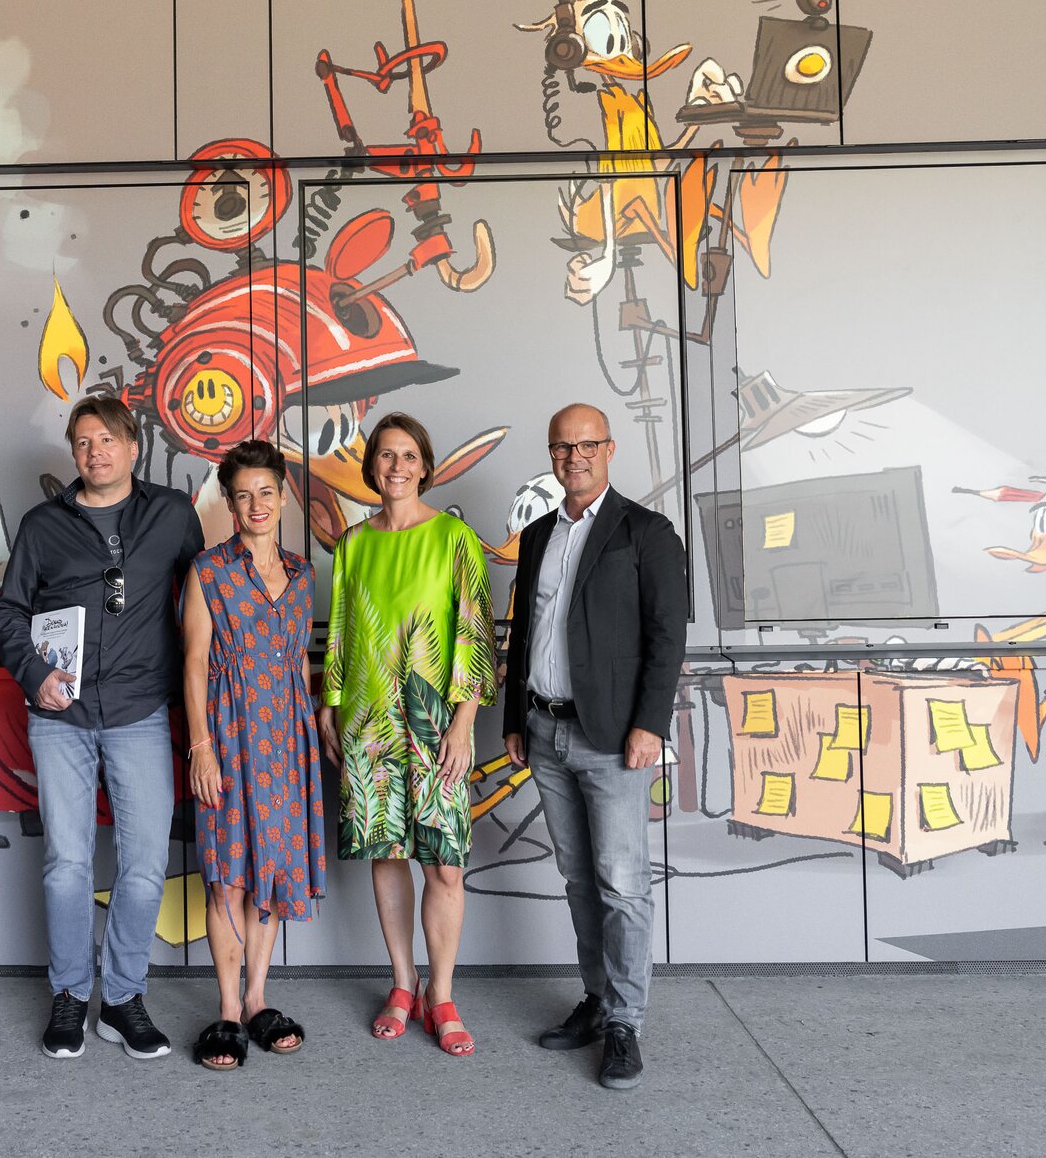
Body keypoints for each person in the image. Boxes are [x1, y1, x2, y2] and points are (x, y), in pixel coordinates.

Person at [0, 394, 203, 1061]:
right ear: (74, 452)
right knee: (66, 865)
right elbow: (7, 612)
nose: (95, 452)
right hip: (61, 716)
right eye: (83, 442)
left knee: (143, 866)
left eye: (107, 439)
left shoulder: (170, 514)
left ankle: (121, 998)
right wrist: (34, 675)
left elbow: (200, 601)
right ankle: (69, 994)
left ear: (134, 447)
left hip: (140, 711)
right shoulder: (42, 525)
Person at [501, 403, 687, 1090]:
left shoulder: (648, 531)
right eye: (560, 446)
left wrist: (651, 723)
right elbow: (525, 630)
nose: (572, 456)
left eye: (585, 444)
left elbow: (667, 637)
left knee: (622, 883)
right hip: (545, 731)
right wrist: (514, 719)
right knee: (580, 879)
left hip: (612, 736)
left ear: (609, 448)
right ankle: (597, 996)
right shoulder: (539, 532)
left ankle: (625, 1023)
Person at [319, 413, 495, 1058]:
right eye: (385, 456)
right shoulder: (353, 544)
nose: (396, 466)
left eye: (407, 456)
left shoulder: (453, 538)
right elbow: (338, 630)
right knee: (388, 857)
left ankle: (442, 995)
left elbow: (476, 635)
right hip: (368, 725)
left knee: (444, 867)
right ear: (372, 469)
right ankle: (402, 983)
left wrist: (463, 722)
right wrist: (329, 706)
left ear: (425, 465)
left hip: (436, 727)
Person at [181, 440, 324, 1071]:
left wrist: (314, 735)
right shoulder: (207, 570)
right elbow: (194, 664)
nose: (256, 503)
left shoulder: (302, 573)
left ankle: (260, 997)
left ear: (284, 493)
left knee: (270, 875)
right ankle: (227, 1011)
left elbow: (299, 662)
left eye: (266, 491)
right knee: (228, 877)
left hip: (287, 740)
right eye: (243, 495)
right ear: (230, 503)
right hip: (229, 735)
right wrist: (201, 747)